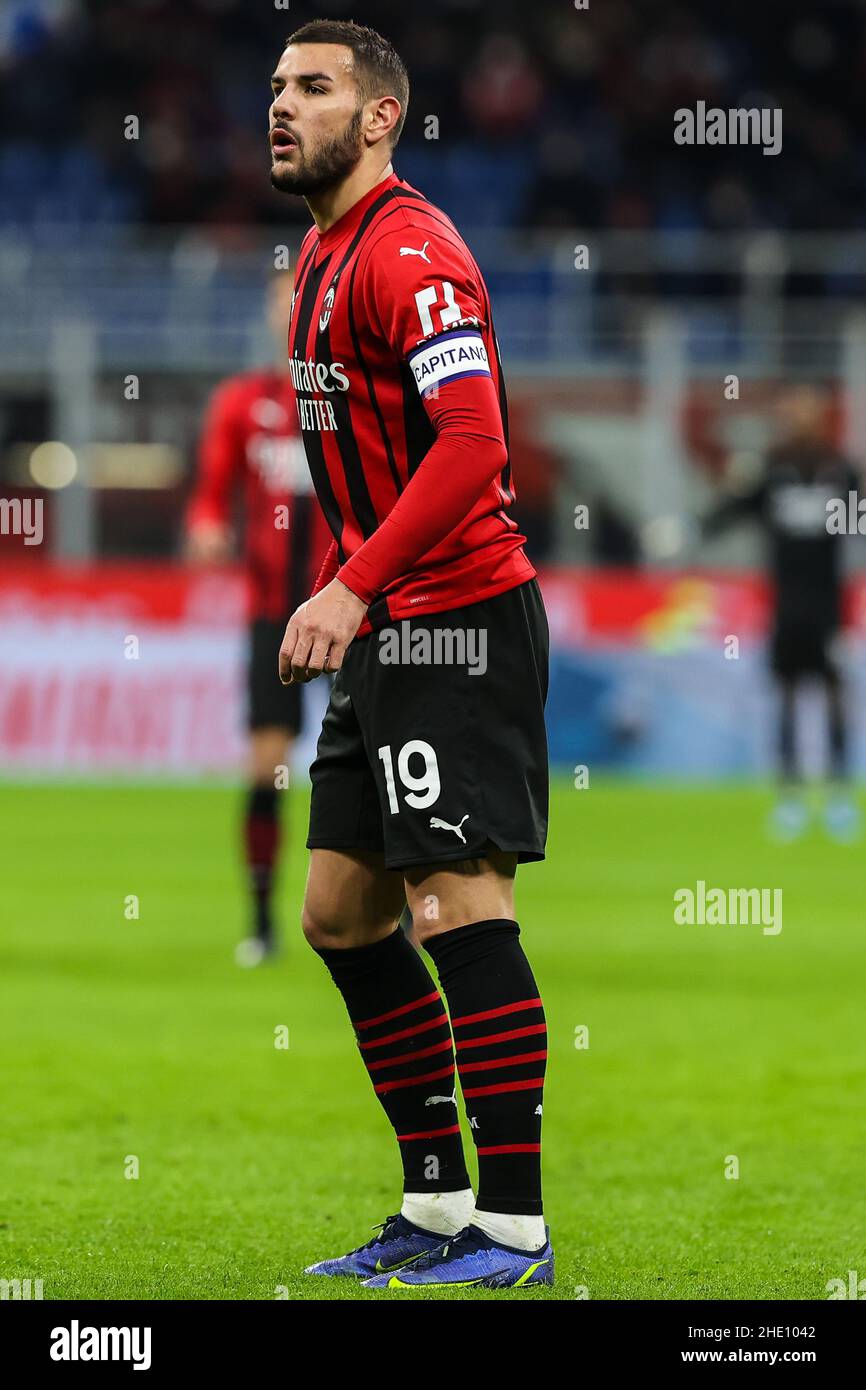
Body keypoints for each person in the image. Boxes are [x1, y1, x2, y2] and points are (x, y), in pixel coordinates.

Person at [270, 19, 553, 1289]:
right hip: (387, 627)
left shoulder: (411, 252)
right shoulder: (320, 257)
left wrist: (353, 582)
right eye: (276, 87)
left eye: (312, 88)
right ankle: (434, 1203)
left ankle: (513, 1229)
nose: (281, 106)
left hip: (453, 619)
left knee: (456, 904)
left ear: (379, 115)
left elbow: (473, 445)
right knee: (339, 913)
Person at [186, 271, 331, 964]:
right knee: (268, 766)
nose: (292, 313)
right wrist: (208, 527)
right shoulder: (242, 404)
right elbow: (209, 495)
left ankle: (391, 917)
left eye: (303, 301)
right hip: (275, 615)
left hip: (358, 608)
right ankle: (263, 921)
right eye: (283, 302)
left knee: (382, 763)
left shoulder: (352, 400)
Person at [702, 385, 862, 841]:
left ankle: (837, 797)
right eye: (792, 410)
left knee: (834, 697)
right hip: (786, 607)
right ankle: (790, 798)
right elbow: (732, 510)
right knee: (787, 697)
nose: (799, 418)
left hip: (831, 607)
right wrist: (692, 529)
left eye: (807, 409)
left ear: (821, 416)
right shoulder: (772, 470)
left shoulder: (840, 470)